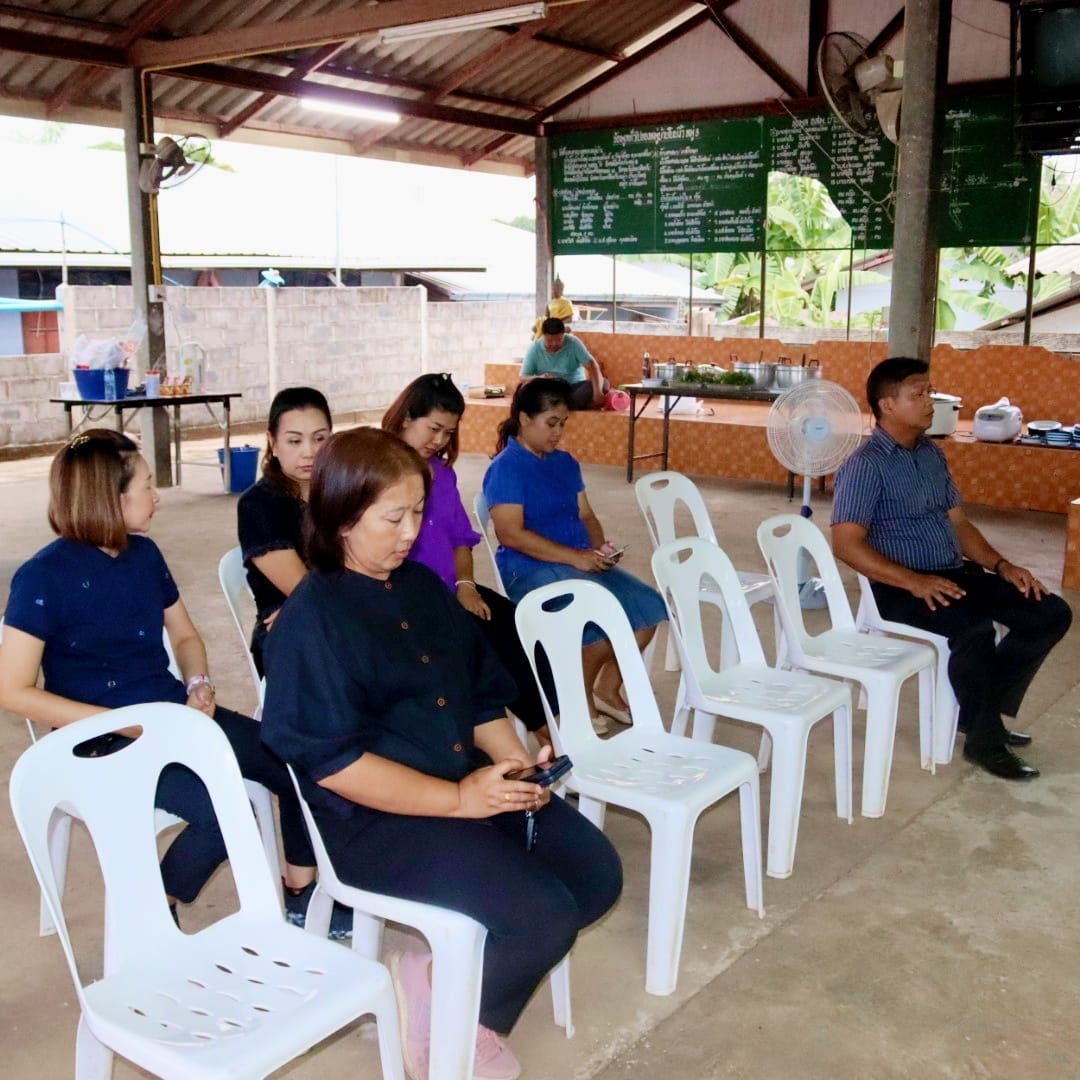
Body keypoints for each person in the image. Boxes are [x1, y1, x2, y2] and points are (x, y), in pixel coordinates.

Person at [260, 428, 621, 1080]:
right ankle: (453, 1026)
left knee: (595, 876)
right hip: (371, 821)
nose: (409, 532)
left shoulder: (421, 588)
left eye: (417, 513)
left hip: (461, 782)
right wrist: (459, 799)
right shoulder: (312, 621)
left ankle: (431, 982)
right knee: (541, 918)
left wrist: (512, 763)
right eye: (392, 517)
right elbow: (335, 763)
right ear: (342, 517)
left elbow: (481, 697)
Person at [0, 429, 320, 928]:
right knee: (226, 811)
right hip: (98, 738)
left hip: (170, 712)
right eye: (148, 486)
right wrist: (128, 724)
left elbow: (187, 638)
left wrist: (197, 685)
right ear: (112, 497)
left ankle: (300, 890)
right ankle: (159, 906)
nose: (156, 497)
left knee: (296, 758)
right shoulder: (42, 577)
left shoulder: (144, 555)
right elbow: (13, 690)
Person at [831, 357, 1072, 781]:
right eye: (918, 394)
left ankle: (981, 713)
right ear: (887, 405)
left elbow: (959, 524)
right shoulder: (865, 465)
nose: (930, 401)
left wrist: (1001, 565)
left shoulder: (931, 454)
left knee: (1049, 612)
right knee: (974, 630)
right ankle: (984, 740)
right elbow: (846, 544)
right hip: (898, 585)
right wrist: (914, 581)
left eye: (930, 391)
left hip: (952, 572)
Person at [482, 378, 667, 730]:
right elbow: (511, 534)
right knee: (597, 619)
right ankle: (577, 702)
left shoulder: (564, 462)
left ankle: (607, 689)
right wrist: (575, 557)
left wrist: (598, 547)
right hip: (529, 569)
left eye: (562, 424)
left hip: (577, 561)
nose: (558, 433)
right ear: (524, 419)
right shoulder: (506, 467)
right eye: (551, 423)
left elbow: (586, 515)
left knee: (648, 610)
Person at [381, 372, 552, 743]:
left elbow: (461, 539)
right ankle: (545, 733)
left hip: (450, 589)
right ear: (407, 416)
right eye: (434, 428)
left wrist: (466, 586)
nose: (439, 441)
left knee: (516, 624)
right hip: (406, 598)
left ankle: (554, 721)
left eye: (449, 433)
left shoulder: (442, 474)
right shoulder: (375, 472)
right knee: (483, 644)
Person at [237, 386, 332, 678]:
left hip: (338, 617)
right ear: (272, 443)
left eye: (320, 439)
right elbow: (304, 590)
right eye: (294, 440)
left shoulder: (340, 491)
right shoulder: (259, 505)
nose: (309, 452)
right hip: (286, 636)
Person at [521, 317, 608, 410]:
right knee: (522, 390)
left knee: (604, 384)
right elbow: (523, 378)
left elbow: (592, 365)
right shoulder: (535, 348)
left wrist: (597, 393)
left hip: (573, 389)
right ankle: (572, 406)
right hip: (548, 393)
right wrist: (540, 378)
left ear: (564, 335)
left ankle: (562, 406)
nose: (554, 344)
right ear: (543, 336)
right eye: (549, 341)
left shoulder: (573, 342)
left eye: (558, 340)